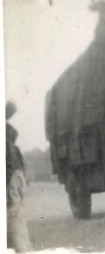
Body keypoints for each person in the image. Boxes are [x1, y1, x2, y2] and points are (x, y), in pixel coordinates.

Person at [6, 101, 32, 252]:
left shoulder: (7, 139)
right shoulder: (9, 137)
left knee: (14, 215)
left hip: (11, 178)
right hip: (14, 175)